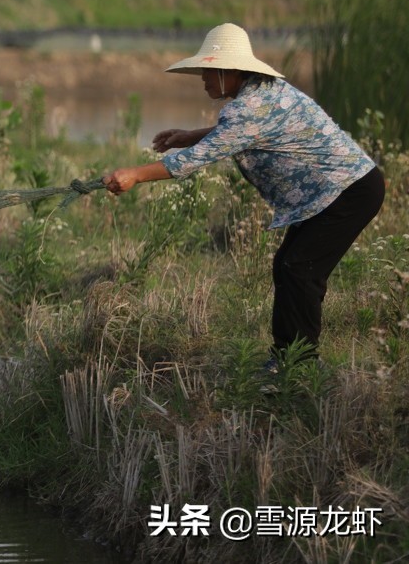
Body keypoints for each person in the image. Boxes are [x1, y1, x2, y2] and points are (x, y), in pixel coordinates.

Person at [103, 23, 384, 363]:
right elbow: (242, 133)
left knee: (300, 269)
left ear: (230, 71)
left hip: (348, 191)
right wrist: (191, 134)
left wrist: (135, 174)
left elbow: (197, 159)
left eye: (209, 72)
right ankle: (287, 357)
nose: (204, 80)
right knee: (288, 266)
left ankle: (298, 365)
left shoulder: (248, 108)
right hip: (334, 191)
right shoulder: (263, 92)